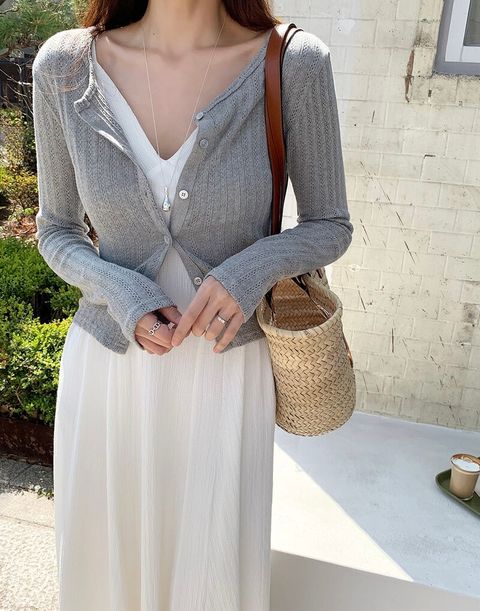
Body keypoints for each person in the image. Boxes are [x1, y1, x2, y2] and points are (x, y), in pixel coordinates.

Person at [31, 1, 353, 609]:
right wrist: (124, 292)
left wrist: (248, 271)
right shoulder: (66, 67)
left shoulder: (292, 63)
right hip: (110, 376)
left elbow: (329, 225)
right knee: (109, 574)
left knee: (212, 575)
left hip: (226, 378)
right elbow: (57, 232)